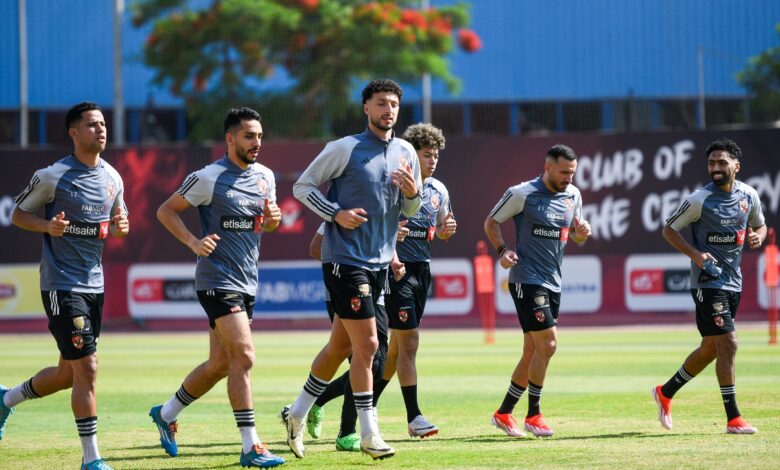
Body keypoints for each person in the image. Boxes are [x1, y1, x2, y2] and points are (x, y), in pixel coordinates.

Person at [283, 78, 422, 460]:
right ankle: (368, 433)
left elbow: (410, 210)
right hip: (345, 260)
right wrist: (335, 213)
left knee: (339, 347)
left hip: (379, 264)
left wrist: (413, 193)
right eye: (381, 103)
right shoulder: (344, 148)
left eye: (393, 104)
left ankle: (297, 413)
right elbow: (302, 187)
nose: (388, 110)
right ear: (366, 108)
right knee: (370, 346)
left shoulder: (406, 151)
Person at [150, 107, 285, 468]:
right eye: (249, 136)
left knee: (220, 363)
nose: (257, 142)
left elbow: (267, 224)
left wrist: (273, 220)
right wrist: (193, 243)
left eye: (259, 136)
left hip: (247, 280)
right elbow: (166, 211)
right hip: (216, 279)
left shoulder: (265, 177)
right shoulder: (208, 177)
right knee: (244, 356)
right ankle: (251, 446)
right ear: (230, 138)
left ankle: (166, 413)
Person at [1, 102, 129, 470]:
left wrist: (122, 226)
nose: (100, 130)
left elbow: (119, 221)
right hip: (62, 284)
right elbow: (18, 213)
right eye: (92, 125)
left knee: (66, 374)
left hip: (95, 285)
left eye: (102, 124)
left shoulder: (113, 177)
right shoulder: (53, 175)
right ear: (74, 132)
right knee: (88, 368)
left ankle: (5, 400)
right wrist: (47, 226)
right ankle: (92, 458)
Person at [652, 138, 766, 434]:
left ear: (736, 166)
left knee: (711, 348)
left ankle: (665, 392)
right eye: (711, 163)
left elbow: (760, 225)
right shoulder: (699, 199)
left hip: (733, 283)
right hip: (707, 282)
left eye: (722, 162)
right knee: (729, 343)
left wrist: (759, 236)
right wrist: (696, 255)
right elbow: (669, 229)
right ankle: (734, 418)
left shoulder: (749, 195)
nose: (715, 167)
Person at [483, 144, 591, 438]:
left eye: (572, 172)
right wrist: (503, 250)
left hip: (553, 281)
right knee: (549, 344)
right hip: (527, 279)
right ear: (547, 168)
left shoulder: (573, 195)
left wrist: (581, 234)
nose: (569, 178)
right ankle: (534, 415)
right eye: (564, 172)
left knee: (533, 350)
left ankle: (504, 413)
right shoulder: (522, 193)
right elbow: (491, 222)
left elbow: (575, 236)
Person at [372, 123, 456, 439]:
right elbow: (377, 225)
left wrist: (447, 230)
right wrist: (390, 237)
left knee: (395, 352)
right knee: (409, 343)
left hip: (422, 270)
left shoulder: (439, 190)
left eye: (436, 155)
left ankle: (361, 405)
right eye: (427, 154)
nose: (433, 161)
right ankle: (414, 417)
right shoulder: (394, 184)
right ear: (410, 155)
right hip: (397, 270)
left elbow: (443, 227)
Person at [298, 223, 396, 453]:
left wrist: (392, 258)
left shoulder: (386, 214)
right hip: (347, 290)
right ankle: (348, 432)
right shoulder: (344, 211)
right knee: (364, 358)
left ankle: (310, 403)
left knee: (376, 365)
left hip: (376, 293)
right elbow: (315, 247)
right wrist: (344, 268)